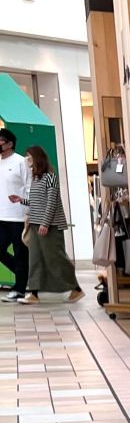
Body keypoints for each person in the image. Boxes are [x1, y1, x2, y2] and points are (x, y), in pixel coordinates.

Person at [14, 147, 82, 304]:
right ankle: (34, 294)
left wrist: (45, 223)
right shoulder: (36, 178)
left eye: (29, 157)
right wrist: (21, 200)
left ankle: (76, 289)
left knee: (56, 258)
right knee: (35, 259)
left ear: (37, 158)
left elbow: (51, 202)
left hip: (49, 226)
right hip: (35, 224)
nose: (27, 160)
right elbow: (37, 202)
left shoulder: (50, 177)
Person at [0, 128, 31, 302]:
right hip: (1, 217)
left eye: (0, 140)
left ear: (10, 144)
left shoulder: (21, 162)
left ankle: (19, 289)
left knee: (21, 254)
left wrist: (28, 211)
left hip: (18, 217)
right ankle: (25, 276)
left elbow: (29, 187)